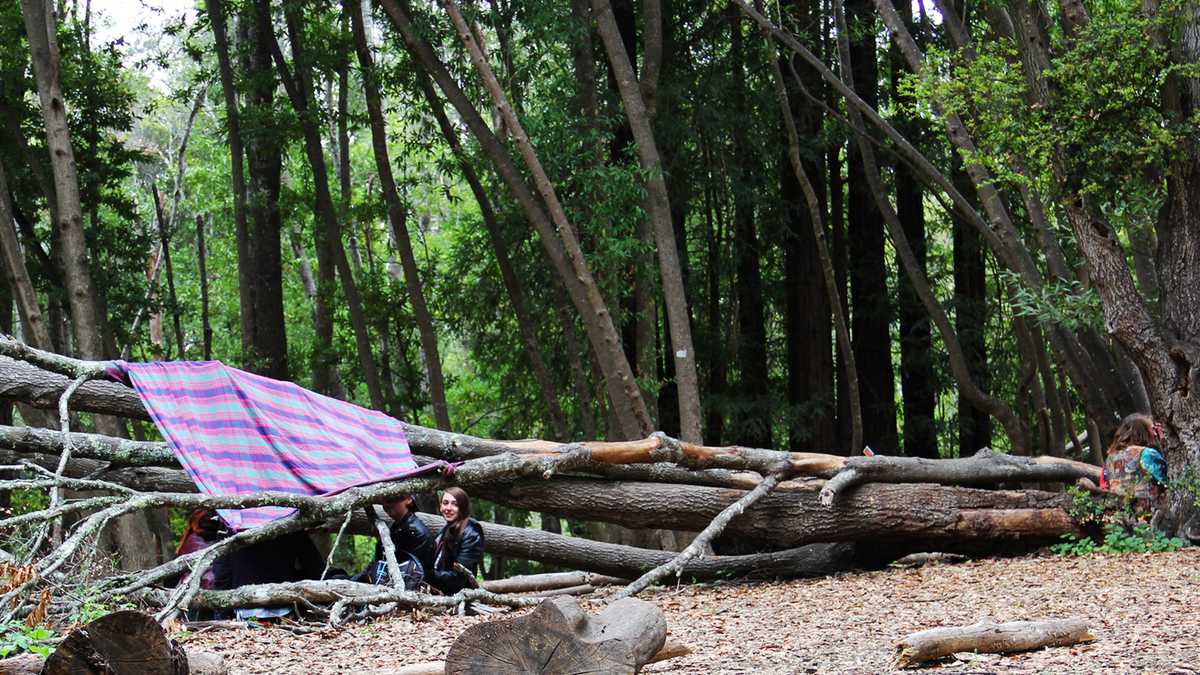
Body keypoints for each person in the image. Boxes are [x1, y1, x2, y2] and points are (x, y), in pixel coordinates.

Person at [357, 494, 435, 588]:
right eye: (384, 500)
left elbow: (414, 573)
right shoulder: (393, 527)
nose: (387, 504)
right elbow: (378, 561)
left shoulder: (416, 532)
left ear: (408, 499)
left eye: (393, 498)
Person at [1101, 413, 1169, 519]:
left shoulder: (1110, 458)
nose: (1155, 434)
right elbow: (1168, 480)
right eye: (1152, 429)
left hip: (1120, 517)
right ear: (1142, 431)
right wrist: (1164, 444)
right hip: (1150, 516)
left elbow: (1105, 486)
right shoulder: (1147, 453)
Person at [428, 487, 484, 595]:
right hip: (439, 592)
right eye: (445, 503)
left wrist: (429, 575)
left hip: (458, 596)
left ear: (463, 507)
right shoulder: (447, 529)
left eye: (455, 504)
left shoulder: (471, 533)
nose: (448, 508)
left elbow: (459, 578)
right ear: (440, 506)